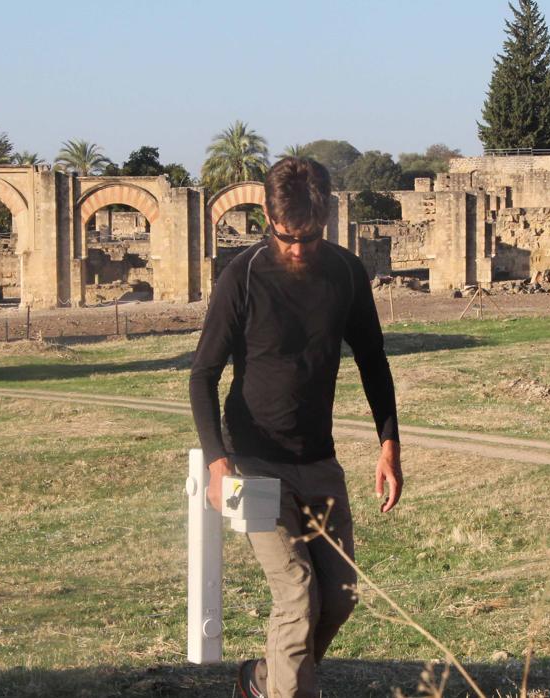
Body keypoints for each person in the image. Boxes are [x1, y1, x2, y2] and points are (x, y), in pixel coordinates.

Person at [189, 157, 403, 698]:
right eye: (287, 237)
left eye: (310, 237)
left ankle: (263, 681)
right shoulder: (242, 277)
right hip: (253, 465)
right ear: (267, 215)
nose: (298, 249)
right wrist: (218, 461)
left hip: (319, 462)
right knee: (298, 593)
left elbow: (373, 360)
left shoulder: (346, 274)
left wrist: (389, 444)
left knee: (342, 593)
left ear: (326, 217)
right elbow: (202, 376)